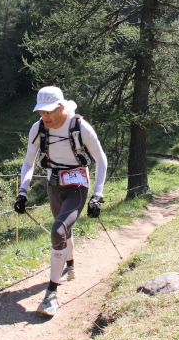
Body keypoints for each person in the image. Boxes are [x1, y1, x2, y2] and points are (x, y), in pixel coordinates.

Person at [14, 86, 108, 316]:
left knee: (57, 231)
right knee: (64, 230)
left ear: (61, 107)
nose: (44, 116)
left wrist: (97, 194)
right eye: (41, 112)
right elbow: (28, 162)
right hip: (54, 185)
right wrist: (22, 192)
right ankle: (70, 266)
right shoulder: (38, 128)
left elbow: (101, 160)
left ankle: (51, 295)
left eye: (49, 111)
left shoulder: (80, 127)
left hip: (77, 186)